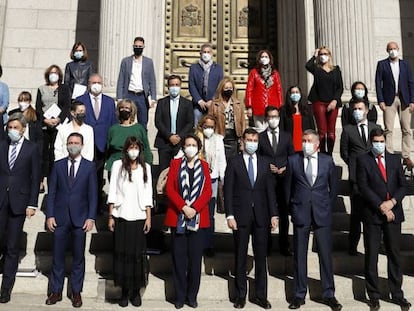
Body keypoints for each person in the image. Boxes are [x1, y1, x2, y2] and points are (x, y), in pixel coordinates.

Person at [285, 129, 341, 311]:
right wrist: (291, 208)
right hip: (301, 212)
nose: (305, 144)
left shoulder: (327, 161)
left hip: (321, 212)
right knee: (300, 255)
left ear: (317, 144)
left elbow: (334, 188)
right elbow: (288, 188)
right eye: (303, 140)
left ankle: (328, 293)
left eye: (309, 141)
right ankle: (299, 294)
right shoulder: (293, 160)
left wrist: (328, 206)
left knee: (325, 255)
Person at [356, 128, 411, 310]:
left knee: (394, 254)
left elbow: (403, 185)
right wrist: (382, 206)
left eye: (381, 141)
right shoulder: (363, 160)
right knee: (371, 255)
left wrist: (392, 202)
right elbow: (363, 187)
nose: (379, 144)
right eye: (376, 141)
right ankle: (373, 295)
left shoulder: (394, 159)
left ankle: (397, 293)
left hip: (394, 213)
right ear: (371, 142)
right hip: (373, 214)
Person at [225, 128, 278, 309]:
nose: (252, 143)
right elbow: (228, 191)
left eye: (255, 140)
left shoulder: (264, 163)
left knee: (261, 257)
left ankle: (261, 295)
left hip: (262, 216)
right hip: (240, 216)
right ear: (242, 142)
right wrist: (229, 215)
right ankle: (240, 295)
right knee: (240, 255)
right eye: (249, 139)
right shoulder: (234, 162)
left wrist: (274, 214)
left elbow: (270, 191)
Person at [45, 132, 97, 308]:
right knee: (57, 257)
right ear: (66, 144)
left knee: (78, 258)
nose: (73, 145)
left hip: (80, 218)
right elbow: (51, 193)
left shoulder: (89, 167)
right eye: (70, 142)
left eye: (76, 142)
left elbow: (93, 195)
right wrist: (50, 215)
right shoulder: (58, 165)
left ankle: (76, 292)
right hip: (60, 218)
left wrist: (91, 217)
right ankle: (56, 291)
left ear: (82, 145)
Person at [164, 134, 212, 309]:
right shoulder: (175, 164)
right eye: (187, 144)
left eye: (194, 145)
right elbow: (169, 189)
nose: (190, 147)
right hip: (179, 217)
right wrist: (184, 207)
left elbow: (207, 191)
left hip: (198, 219)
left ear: (198, 148)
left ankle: (192, 296)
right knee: (179, 260)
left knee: (194, 260)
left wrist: (194, 208)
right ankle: (179, 296)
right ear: (183, 147)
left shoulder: (205, 166)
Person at [107, 136, 153, 307]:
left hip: (139, 216)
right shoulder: (118, 166)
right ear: (126, 149)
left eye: (136, 147)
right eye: (130, 147)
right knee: (122, 254)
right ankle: (124, 291)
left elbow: (148, 194)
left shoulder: (145, 167)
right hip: (122, 215)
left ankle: (135, 291)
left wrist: (148, 217)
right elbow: (112, 190)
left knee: (136, 255)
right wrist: (111, 216)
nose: (133, 151)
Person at [0, 113, 40, 304]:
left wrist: (32, 203)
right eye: (10, 127)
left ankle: (6, 287)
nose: (12, 131)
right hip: (0, 200)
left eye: (16, 127)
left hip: (19, 202)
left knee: (12, 246)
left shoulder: (32, 149)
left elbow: (35, 178)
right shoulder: (1, 145)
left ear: (23, 128)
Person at [340, 99, 380, 256]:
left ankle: (376, 245)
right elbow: (344, 152)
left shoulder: (376, 128)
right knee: (356, 215)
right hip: (356, 179)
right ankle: (353, 245)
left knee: (374, 214)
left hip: (374, 179)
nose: (357, 111)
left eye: (360, 108)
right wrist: (353, 165)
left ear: (367, 110)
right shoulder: (348, 130)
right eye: (354, 108)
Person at [77, 73, 117, 209]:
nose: (96, 85)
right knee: (84, 175)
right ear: (88, 84)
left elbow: (113, 123)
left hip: (102, 145)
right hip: (85, 145)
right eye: (93, 82)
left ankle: (97, 205)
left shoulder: (109, 102)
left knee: (98, 177)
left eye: (98, 82)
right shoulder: (80, 100)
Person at [258, 106, 294, 256]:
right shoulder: (260, 137)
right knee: (267, 211)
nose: (273, 119)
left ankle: (284, 245)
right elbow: (258, 157)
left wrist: (285, 167)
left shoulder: (286, 136)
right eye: (270, 117)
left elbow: (292, 156)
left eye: (275, 116)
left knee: (284, 213)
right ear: (266, 119)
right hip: (267, 180)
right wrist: (267, 166)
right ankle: (267, 246)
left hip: (283, 179)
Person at [375, 41, 414, 169]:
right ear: (387, 51)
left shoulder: (405, 65)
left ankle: (406, 154)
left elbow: (411, 83)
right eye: (390, 49)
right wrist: (380, 100)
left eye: (394, 48)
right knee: (389, 129)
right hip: (388, 100)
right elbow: (378, 84)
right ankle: (389, 153)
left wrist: (412, 101)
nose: (393, 51)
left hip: (404, 99)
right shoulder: (382, 64)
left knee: (406, 129)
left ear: (398, 49)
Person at [35, 64, 71, 192]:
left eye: (55, 72)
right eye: (51, 72)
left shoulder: (64, 89)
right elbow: (38, 107)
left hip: (58, 126)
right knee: (43, 154)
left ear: (59, 75)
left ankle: (53, 180)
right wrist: (45, 120)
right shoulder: (41, 89)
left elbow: (67, 106)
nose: (53, 75)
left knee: (54, 154)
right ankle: (40, 181)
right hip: (44, 126)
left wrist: (58, 119)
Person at [197, 115, 226, 257]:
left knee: (209, 213)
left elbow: (222, 161)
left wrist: (223, 178)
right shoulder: (196, 138)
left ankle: (208, 244)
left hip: (212, 179)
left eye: (211, 127)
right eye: (206, 126)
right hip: (197, 179)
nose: (208, 129)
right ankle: (197, 243)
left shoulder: (218, 140)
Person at [306, 47, 344, 155]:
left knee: (331, 132)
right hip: (319, 102)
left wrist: (335, 101)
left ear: (330, 55)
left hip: (333, 102)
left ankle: (330, 153)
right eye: (321, 54)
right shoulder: (317, 69)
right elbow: (308, 65)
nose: (323, 56)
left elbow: (340, 87)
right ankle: (322, 153)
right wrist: (314, 55)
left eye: (325, 54)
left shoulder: (336, 70)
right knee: (322, 131)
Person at [154, 75, 194, 171]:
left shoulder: (187, 104)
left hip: (181, 143)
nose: (174, 87)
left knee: (179, 171)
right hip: (164, 142)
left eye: (177, 85)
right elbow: (158, 121)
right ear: (168, 87)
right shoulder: (161, 102)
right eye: (172, 85)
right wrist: (169, 136)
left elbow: (190, 122)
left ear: (180, 86)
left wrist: (179, 136)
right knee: (164, 172)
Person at [116, 36, 157, 128]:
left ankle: (142, 140)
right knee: (126, 120)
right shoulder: (126, 61)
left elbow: (152, 80)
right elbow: (121, 79)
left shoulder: (148, 62)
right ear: (133, 46)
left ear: (143, 47)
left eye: (140, 47)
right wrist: (119, 97)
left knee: (143, 122)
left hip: (142, 96)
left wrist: (153, 98)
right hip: (129, 94)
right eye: (136, 46)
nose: (138, 48)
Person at [106, 99, 152, 177]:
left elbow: (146, 148)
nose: (124, 110)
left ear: (132, 111)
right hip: (116, 165)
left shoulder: (139, 128)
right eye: (122, 108)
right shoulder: (113, 129)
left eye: (127, 108)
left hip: (135, 164)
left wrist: (147, 165)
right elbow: (108, 149)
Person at [8, 91, 43, 190]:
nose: (22, 102)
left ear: (30, 101)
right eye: (20, 100)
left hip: (30, 148)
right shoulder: (13, 113)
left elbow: (39, 137)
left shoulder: (36, 115)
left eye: (25, 100)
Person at [245, 50, 283, 132]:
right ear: (259, 59)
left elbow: (279, 90)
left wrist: (280, 106)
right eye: (262, 57)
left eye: (266, 57)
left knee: (272, 130)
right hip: (258, 107)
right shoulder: (254, 73)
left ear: (270, 59)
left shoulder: (275, 73)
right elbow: (249, 90)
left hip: (272, 106)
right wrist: (249, 106)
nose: (264, 59)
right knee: (260, 131)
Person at [209, 77, 246, 159]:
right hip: (220, 137)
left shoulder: (238, 104)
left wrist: (243, 139)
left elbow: (242, 122)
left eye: (230, 88)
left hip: (234, 138)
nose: (228, 90)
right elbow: (210, 121)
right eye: (226, 88)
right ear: (222, 89)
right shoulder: (215, 104)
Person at [189, 43, 224, 125]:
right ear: (200, 53)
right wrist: (199, 100)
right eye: (204, 52)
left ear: (211, 54)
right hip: (198, 105)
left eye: (208, 52)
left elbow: (220, 86)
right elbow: (191, 84)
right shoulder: (194, 67)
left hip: (213, 104)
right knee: (197, 125)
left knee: (213, 125)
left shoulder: (218, 68)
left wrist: (212, 100)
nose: (206, 54)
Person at [280, 85, 315, 152]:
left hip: (305, 145)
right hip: (290, 145)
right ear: (289, 95)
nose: (295, 94)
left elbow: (312, 126)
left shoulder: (307, 109)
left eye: (297, 92)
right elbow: (282, 127)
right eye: (293, 92)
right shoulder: (284, 110)